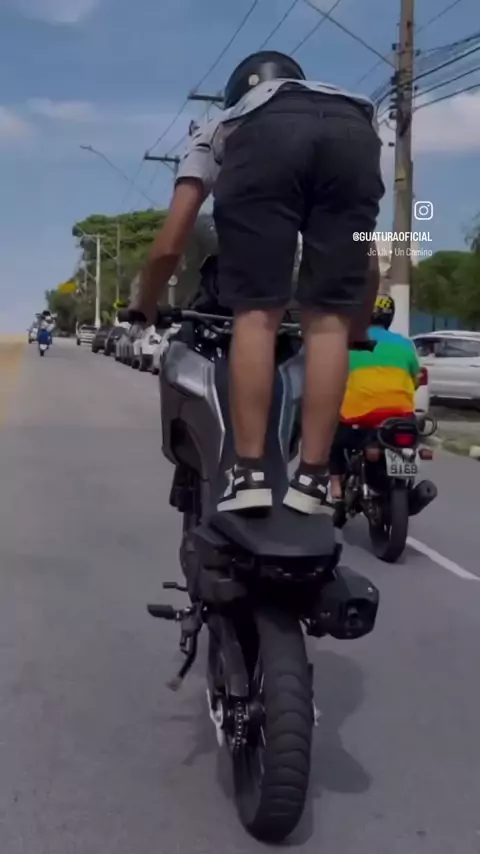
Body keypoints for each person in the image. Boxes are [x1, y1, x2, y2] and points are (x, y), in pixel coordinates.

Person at [128, 50, 384, 515]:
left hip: (272, 140)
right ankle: (312, 479)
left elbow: (171, 242)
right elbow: (367, 261)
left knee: (257, 311)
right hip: (357, 134)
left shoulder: (221, 124)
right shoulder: (334, 101)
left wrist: (145, 304)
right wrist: (359, 326)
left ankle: (249, 474)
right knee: (328, 323)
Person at [328, 294, 420, 521]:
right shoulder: (405, 344)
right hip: (402, 418)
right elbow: (415, 379)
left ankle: (336, 489)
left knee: (333, 441)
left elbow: (334, 378)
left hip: (360, 418)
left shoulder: (350, 341)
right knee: (411, 447)